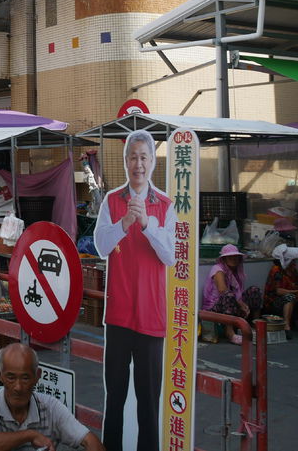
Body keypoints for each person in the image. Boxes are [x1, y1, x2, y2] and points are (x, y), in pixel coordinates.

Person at [94, 129, 176, 451]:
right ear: (125, 161)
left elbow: (170, 255)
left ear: (153, 162)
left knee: (148, 402)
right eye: (132, 157)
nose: (138, 164)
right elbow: (101, 246)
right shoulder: (112, 201)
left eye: (144, 157)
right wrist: (125, 223)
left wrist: (146, 225)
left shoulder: (166, 205)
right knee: (114, 397)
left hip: (151, 318)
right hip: (118, 316)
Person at [0, 343, 104, 451]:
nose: (18, 387)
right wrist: (29, 435)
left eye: (25, 378)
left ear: (37, 376)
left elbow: (91, 441)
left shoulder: (50, 407)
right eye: (11, 377)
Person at [201, 244, 262, 344]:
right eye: (230, 257)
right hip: (214, 307)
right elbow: (222, 290)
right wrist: (240, 304)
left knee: (254, 290)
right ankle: (230, 333)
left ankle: (255, 325)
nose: (233, 259)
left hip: (233, 304)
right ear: (224, 259)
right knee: (228, 295)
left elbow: (238, 293)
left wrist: (242, 303)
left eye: (235, 257)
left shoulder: (237, 272)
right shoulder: (218, 269)